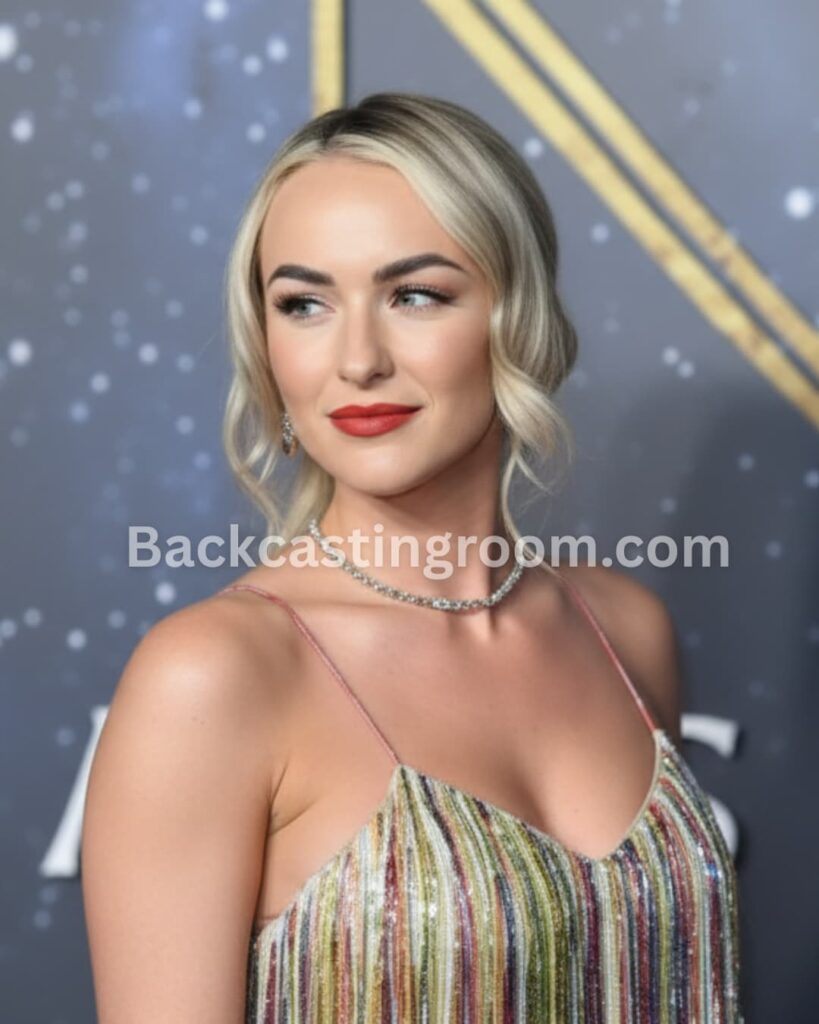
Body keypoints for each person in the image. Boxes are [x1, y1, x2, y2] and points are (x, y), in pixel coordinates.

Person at [81, 92, 742, 1023]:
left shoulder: (624, 628)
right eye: (304, 304)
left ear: (516, 316)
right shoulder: (215, 675)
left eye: (414, 295)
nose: (357, 359)